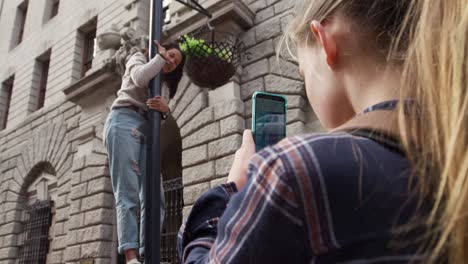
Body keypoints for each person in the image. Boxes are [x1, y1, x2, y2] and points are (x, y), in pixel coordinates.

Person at [176, 0, 440, 263]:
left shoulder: (294, 170)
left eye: (303, 72)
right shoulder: (449, 149)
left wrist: (230, 191)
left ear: (325, 40)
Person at [103, 40, 185, 264]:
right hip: (122, 120)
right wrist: (158, 59)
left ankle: (150, 254)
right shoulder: (138, 58)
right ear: (162, 50)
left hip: (146, 130)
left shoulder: (165, 85)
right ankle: (130, 257)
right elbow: (139, 78)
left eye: (175, 61)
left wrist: (166, 111)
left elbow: (159, 114)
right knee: (127, 189)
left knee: (154, 193)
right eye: (170, 55)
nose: (171, 61)